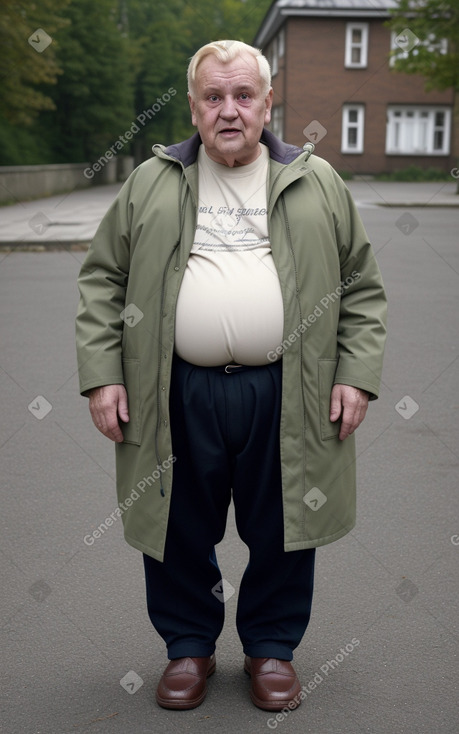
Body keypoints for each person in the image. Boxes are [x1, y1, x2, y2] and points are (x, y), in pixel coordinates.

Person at [75, 39, 387, 712]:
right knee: (176, 522)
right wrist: (104, 376)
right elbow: (103, 279)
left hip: (286, 388)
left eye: (243, 96)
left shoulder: (316, 181)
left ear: (267, 102)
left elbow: (360, 287)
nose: (228, 110)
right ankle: (187, 646)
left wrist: (355, 377)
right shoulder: (151, 183)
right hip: (174, 388)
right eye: (212, 97)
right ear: (191, 107)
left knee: (282, 524)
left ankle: (270, 650)